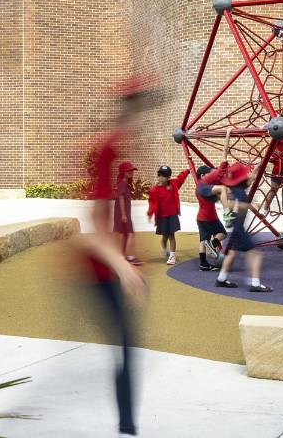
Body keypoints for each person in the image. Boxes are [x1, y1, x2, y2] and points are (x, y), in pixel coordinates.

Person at [76, 75, 154, 436]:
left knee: (127, 346)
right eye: (138, 104)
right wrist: (123, 266)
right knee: (126, 345)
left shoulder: (117, 145)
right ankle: (127, 427)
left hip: (103, 269)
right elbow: (93, 225)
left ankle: (127, 425)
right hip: (97, 270)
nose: (142, 111)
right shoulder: (108, 149)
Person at [215, 161, 272, 292]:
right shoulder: (238, 193)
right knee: (256, 253)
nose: (249, 177)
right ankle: (255, 283)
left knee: (232, 253)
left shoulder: (238, 188)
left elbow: (250, 179)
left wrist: (258, 167)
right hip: (238, 229)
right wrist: (249, 206)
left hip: (237, 228)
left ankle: (221, 279)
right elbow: (229, 204)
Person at [147, 164, 190, 265]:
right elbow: (152, 203)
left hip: (172, 215)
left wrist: (187, 170)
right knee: (164, 237)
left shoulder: (173, 184)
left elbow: (181, 178)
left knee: (171, 235)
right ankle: (164, 249)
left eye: (164, 176)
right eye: (160, 175)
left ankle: (172, 256)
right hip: (162, 217)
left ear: (168, 177)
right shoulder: (155, 189)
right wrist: (150, 213)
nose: (161, 178)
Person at [194, 164, 227, 270]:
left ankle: (203, 264)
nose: (210, 175)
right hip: (210, 217)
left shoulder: (199, 187)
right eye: (208, 174)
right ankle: (213, 243)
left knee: (203, 241)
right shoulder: (205, 187)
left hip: (201, 218)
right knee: (223, 233)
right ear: (203, 175)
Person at [112, 160, 141, 265]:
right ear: (123, 172)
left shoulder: (124, 184)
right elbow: (121, 199)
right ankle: (130, 257)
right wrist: (124, 214)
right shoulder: (122, 184)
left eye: (132, 170)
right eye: (129, 171)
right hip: (122, 213)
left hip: (124, 213)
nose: (131, 172)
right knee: (130, 234)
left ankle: (121, 256)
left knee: (125, 234)